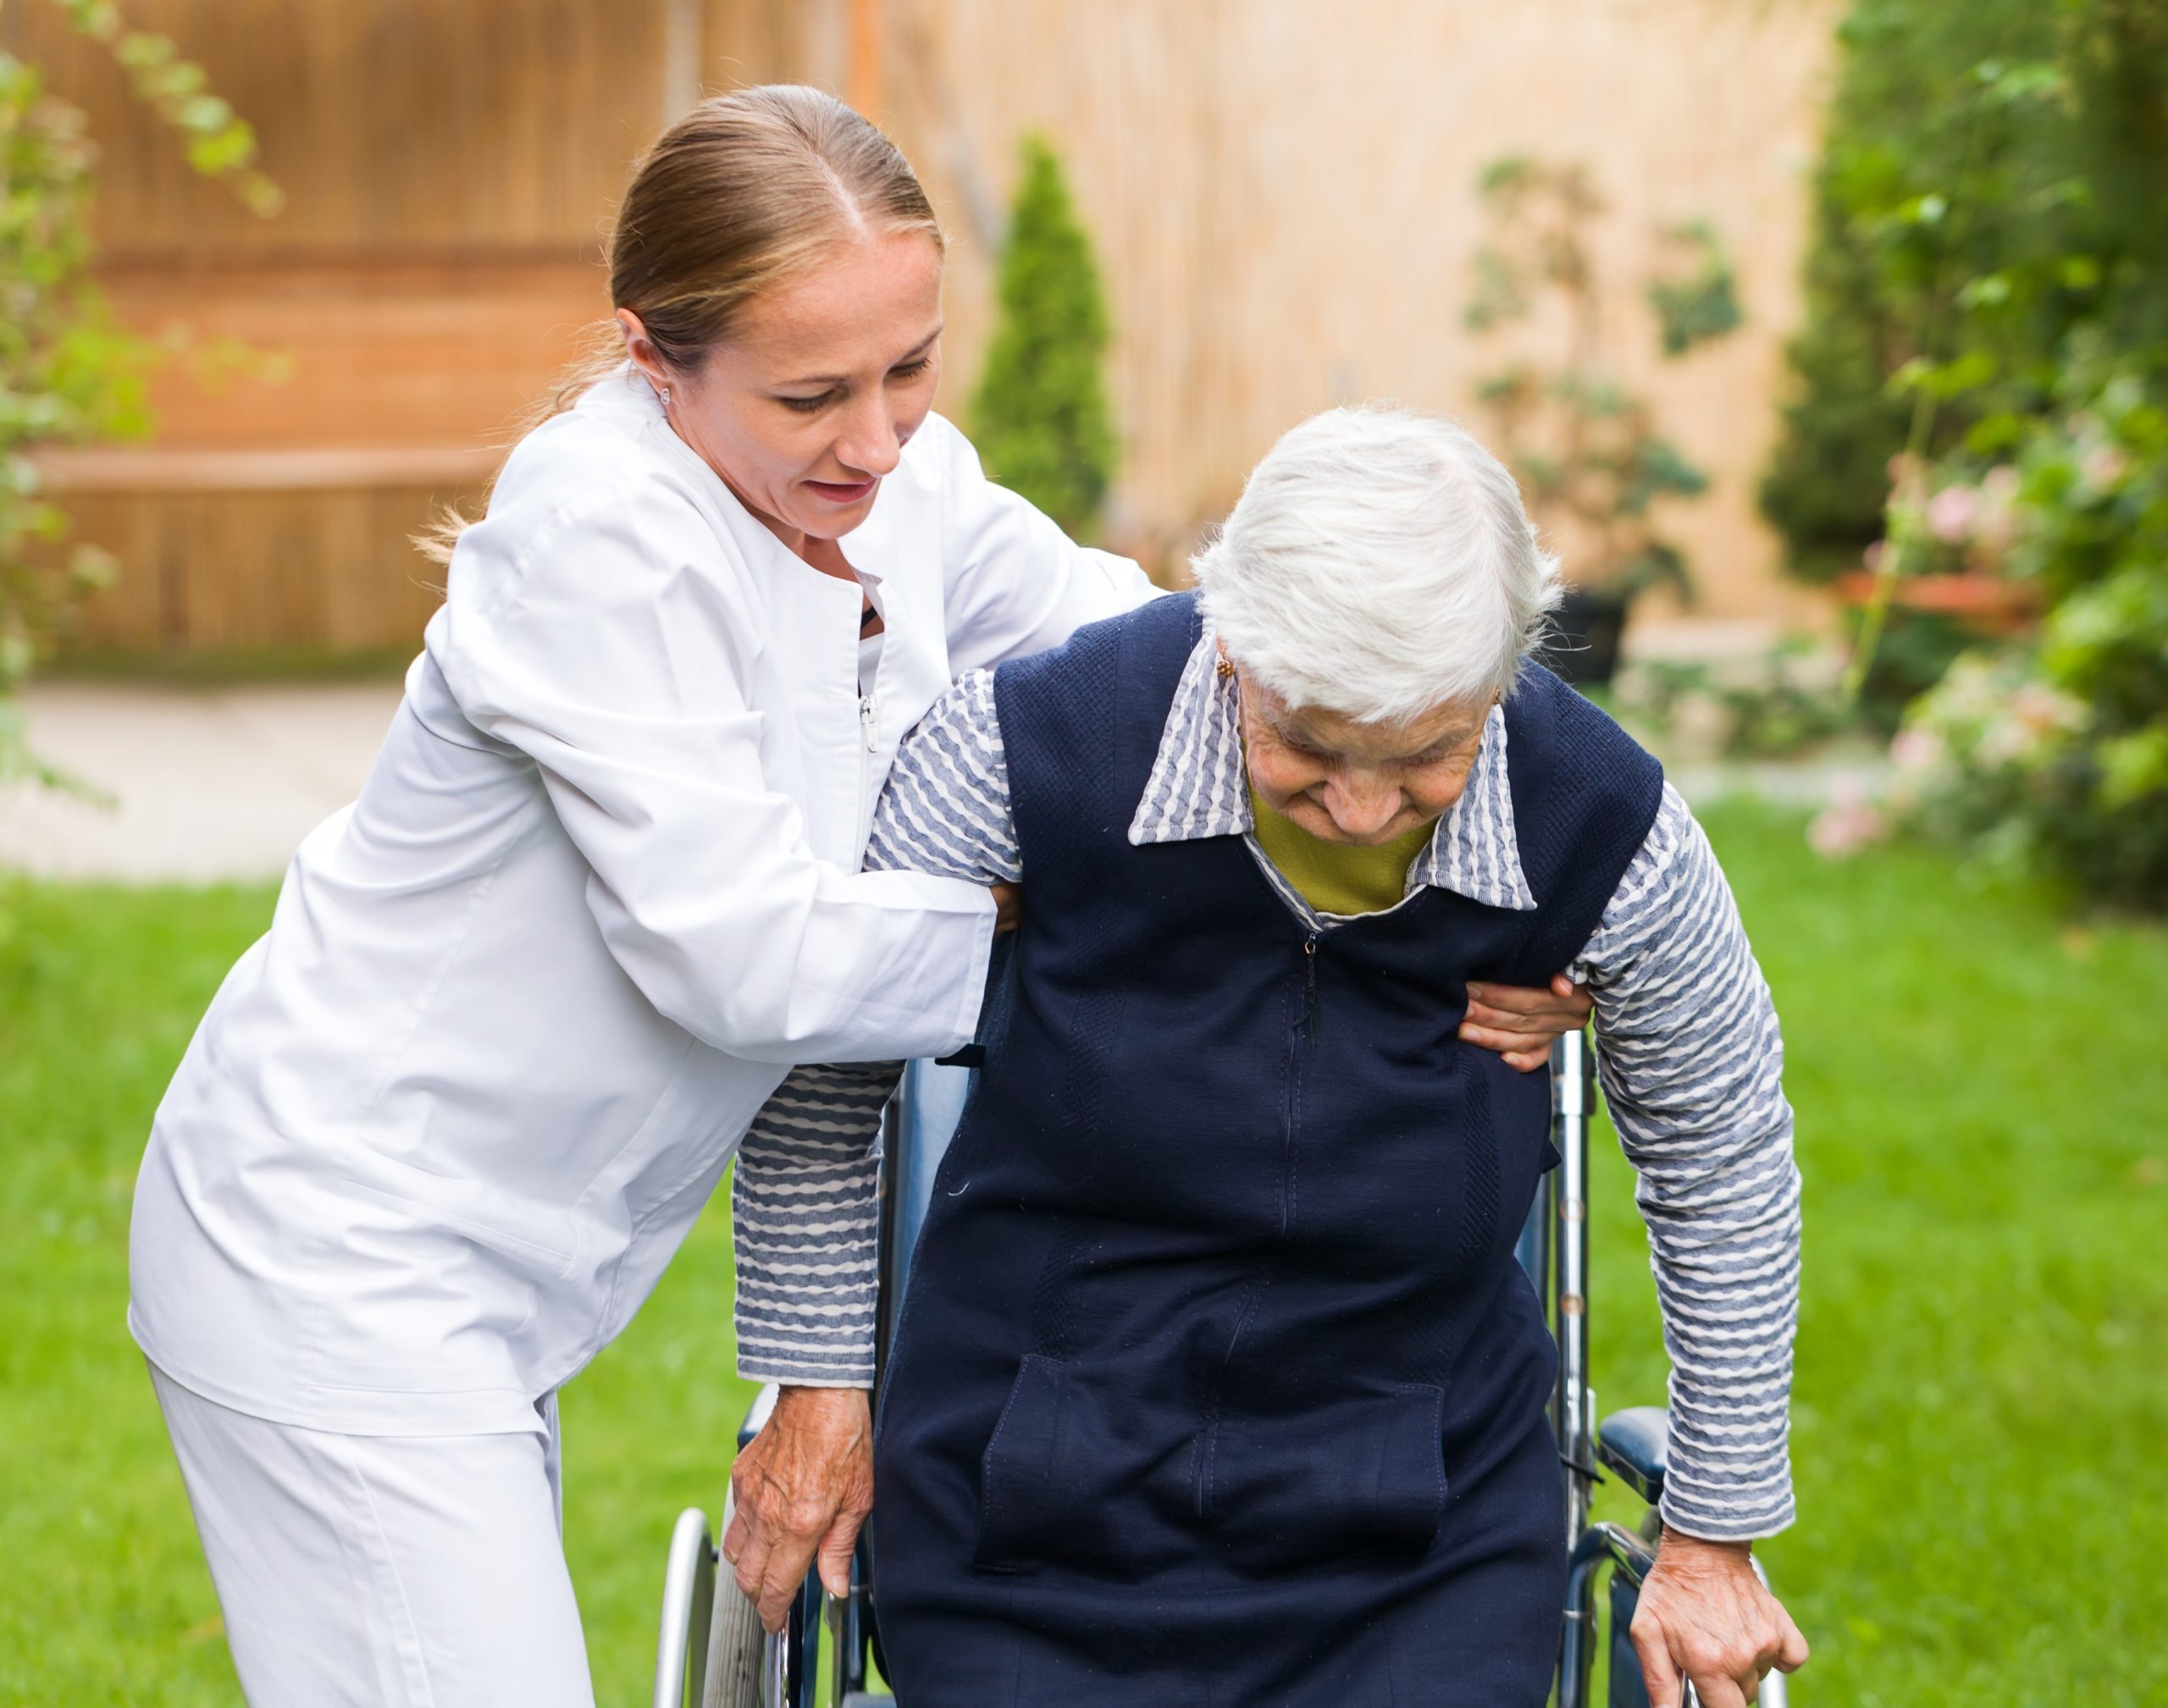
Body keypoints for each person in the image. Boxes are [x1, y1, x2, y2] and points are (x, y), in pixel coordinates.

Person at [125, 90, 1584, 1707]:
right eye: (812, 391)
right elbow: (742, 956)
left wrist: (1502, 876)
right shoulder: (598, 537)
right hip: (338, 1236)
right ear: (648, 353)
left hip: (498, 1268)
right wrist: (1084, 934)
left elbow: (1160, 665)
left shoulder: (910, 490)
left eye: (912, 367)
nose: (876, 439)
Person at [740, 406, 1809, 1706]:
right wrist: (816, 1388)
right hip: (1030, 1489)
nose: (1360, 807)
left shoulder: (1604, 827)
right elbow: (823, 1079)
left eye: (1426, 755)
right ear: (1230, 643)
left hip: (1417, 1517)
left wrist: (1712, 1524)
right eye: (1309, 744)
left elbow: (1726, 1154)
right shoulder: (1022, 751)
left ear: (1502, 680)